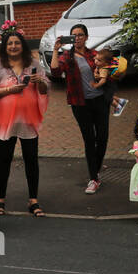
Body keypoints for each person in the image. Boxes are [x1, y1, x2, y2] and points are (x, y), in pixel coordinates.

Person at [0, 22, 49, 216]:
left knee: (31, 160)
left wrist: (40, 82)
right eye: (9, 43)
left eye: (16, 43)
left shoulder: (34, 64)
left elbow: (44, 90)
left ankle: (33, 201)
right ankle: (1, 200)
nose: (13, 46)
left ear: (22, 45)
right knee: (4, 159)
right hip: (6, 122)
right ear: (5, 47)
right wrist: (9, 90)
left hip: (28, 121)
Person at [49, 26, 108, 194]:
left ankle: (95, 168)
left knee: (102, 138)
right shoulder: (67, 57)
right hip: (80, 104)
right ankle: (94, 178)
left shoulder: (95, 54)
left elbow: (110, 72)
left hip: (100, 101)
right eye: (74, 35)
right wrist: (55, 50)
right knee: (90, 140)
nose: (77, 38)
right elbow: (55, 71)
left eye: (81, 35)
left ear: (86, 37)